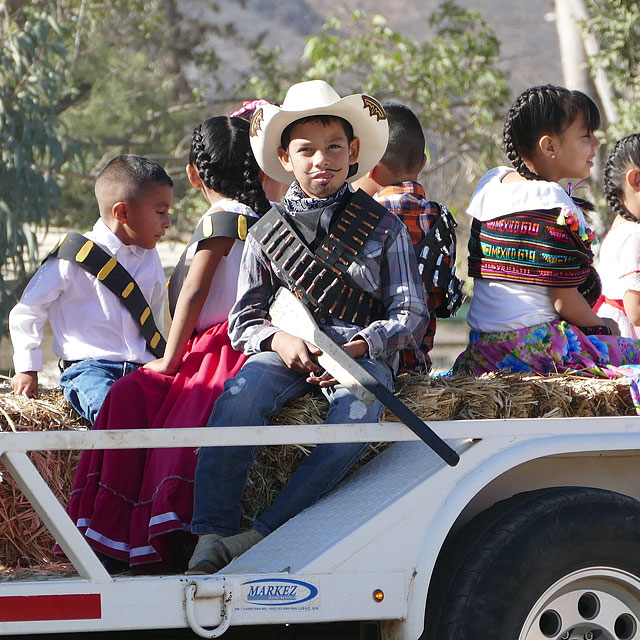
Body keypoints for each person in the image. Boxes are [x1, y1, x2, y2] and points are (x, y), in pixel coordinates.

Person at [187, 80, 429, 575]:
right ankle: (210, 535)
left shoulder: (382, 227)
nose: (323, 159)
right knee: (238, 399)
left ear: (354, 151)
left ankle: (263, 534)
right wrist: (279, 339)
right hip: (289, 353)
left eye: (334, 147)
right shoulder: (264, 233)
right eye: (307, 150)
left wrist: (362, 344)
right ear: (284, 157)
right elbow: (244, 321)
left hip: (360, 356)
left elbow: (412, 314)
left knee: (355, 421)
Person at [64, 116, 270, 570]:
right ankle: (125, 536)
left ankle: (121, 532)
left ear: (195, 174)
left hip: (219, 346)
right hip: (230, 342)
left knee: (134, 397)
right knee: (133, 397)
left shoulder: (224, 216)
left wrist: (171, 358)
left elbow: (195, 291)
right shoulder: (261, 215)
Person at [454, 84, 640, 378]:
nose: (596, 144)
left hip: (484, 349)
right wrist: (603, 327)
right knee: (633, 353)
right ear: (549, 146)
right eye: (586, 136)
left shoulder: (492, 186)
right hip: (535, 348)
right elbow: (563, 299)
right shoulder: (552, 204)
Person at [9, 155, 172, 423]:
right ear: (122, 212)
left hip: (143, 370)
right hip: (89, 371)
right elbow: (28, 311)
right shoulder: (72, 255)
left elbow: (152, 320)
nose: (168, 223)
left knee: (177, 416)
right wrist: (27, 367)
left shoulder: (151, 257)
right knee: (116, 415)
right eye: (160, 212)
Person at [354, 102, 464, 372]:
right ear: (423, 162)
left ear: (371, 167)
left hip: (369, 360)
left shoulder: (366, 217)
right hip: (418, 366)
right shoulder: (441, 219)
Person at [596, 134, 640, 339]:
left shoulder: (619, 228)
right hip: (628, 343)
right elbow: (636, 312)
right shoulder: (635, 235)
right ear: (636, 180)